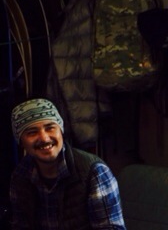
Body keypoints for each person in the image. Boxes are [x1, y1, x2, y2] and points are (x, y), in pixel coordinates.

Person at [9, 98, 126, 229]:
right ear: (21, 141)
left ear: (61, 130)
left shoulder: (94, 172)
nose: (44, 138)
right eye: (32, 132)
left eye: (50, 128)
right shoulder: (21, 174)